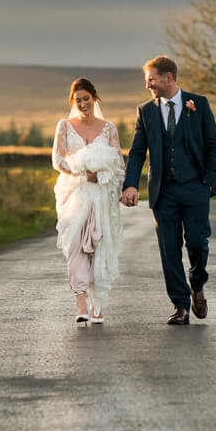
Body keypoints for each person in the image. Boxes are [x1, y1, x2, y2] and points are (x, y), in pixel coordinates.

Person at [121, 55, 216, 324]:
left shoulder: (198, 104)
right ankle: (181, 305)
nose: (148, 85)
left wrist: (208, 180)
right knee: (169, 249)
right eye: (146, 80)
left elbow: (213, 144)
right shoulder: (146, 111)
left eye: (151, 79)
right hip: (163, 192)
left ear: (169, 77)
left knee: (198, 244)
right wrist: (131, 184)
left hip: (195, 188)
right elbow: (137, 151)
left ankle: (197, 284)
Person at [52, 78, 123, 324]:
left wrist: (111, 183)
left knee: (100, 246)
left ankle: (98, 306)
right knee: (75, 246)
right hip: (75, 194)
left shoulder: (109, 128)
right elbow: (57, 160)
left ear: (95, 98)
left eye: (86, 98)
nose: (83, 103)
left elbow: (118, 164)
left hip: (102, 195)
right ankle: (81, 303)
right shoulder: (64, 126)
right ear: (73, 102)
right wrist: (82, 174)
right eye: (77, 100)